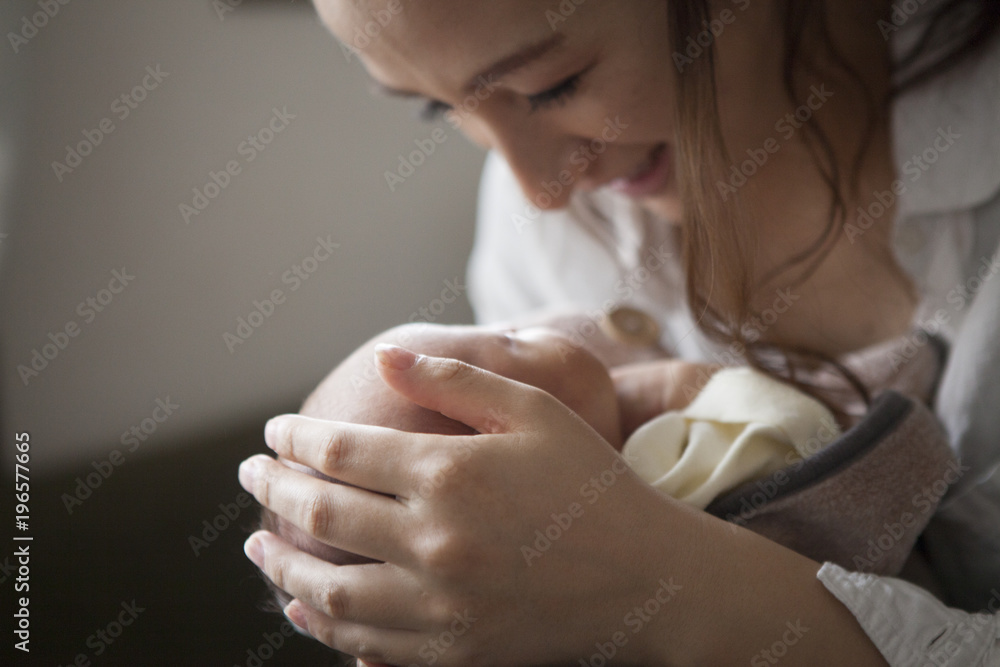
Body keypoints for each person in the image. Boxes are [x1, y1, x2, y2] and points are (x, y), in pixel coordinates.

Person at [238, 0, 1000, 664]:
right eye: (439, 108)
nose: (540, 192)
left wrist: (667, 585)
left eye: (552, 85)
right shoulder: (546, 229)